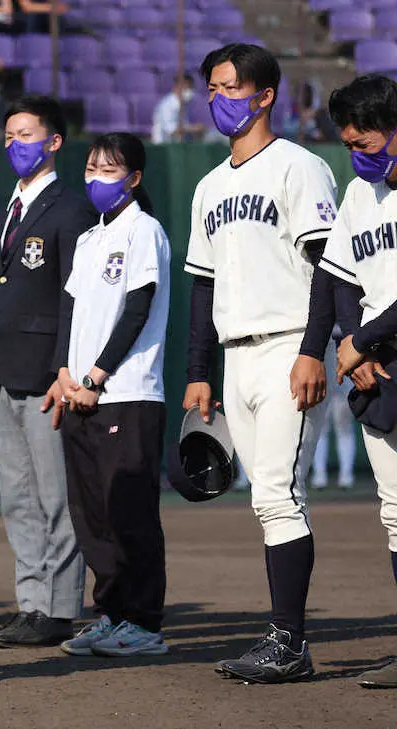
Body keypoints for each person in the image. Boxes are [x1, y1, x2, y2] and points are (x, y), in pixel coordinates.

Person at [182, 43, 338, 683]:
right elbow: (202, 286)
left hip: (288, 345)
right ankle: (283, 638)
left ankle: (290, 642)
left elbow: (330, 270)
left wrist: (313, 350)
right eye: (212, 89)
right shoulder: (208, 185)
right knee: (265, 500)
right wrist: (198, 372)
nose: (218, 99)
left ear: (265, 94)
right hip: (235, 354)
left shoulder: (300, 168)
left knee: (278, 493)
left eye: (230, 87)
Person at [0, 95, 95, 649]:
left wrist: (64, 368)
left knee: (56, 498)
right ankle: (31, 604)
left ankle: (60, 608)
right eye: (9, 137)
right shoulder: (6, 210)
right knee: (19, 500)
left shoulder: (71, 208)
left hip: (48, 378)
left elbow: (75, 299)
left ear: (54, 141)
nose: (15, 145)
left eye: (25, 135)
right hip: (3, 377)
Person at [54, 132, 170, 657]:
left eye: (109, 170)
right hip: (78, 394)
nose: (97, 179)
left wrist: (97, 377)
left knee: (130, 513)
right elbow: (70, 308)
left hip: (127, 392)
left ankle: (144, 624)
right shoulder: (88, 239)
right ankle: (112, 614)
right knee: (92, 515)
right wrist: (64, 372)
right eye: (91, 169)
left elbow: (137, 309)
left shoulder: (144, 230)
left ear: (134, 178)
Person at [317, 73, 397, 688]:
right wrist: (352, 340)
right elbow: (341, 276)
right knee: (396, 513)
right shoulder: (357, 194)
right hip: (379, 367)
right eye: (348, 144)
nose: (357, 154)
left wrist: (359, 340)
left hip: (379, 349)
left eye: (365, 142)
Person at [310, 326, 356, 490]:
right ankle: (319, 476)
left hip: (345, 373)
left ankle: (346, 476)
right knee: (320, 429)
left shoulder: (347, 314)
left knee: (344, 427)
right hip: (323, 370)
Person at [151, 74, 206, 144]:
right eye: (186, 88)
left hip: (180, 143)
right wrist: (193, 129)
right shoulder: (166, 105)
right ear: (176, 87)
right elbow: (171, 130)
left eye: (190, 88)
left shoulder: (186, 103)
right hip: (163, 145)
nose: (189, 91)